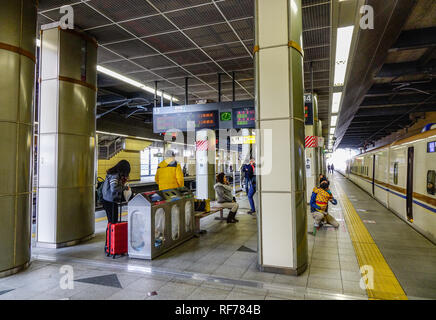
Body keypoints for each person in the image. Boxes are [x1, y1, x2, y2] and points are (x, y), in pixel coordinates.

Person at [102, 160, 131, 224]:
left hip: (110, 200)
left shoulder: (115, 174)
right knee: (112, 221)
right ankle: (110, 233)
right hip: (109, 201)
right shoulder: (115, 175)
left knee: (112, 221)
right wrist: (125, 188)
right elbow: (114, 188)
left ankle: (110, 233)